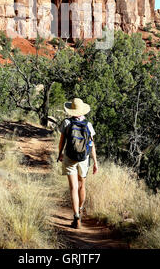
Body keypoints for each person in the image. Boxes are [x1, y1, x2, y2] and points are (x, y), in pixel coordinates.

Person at [57, 98, 98, 229]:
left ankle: (76, 217)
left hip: (70, 157)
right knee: (82, 186)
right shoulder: (88, 124)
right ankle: (80, 209)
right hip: (84, 159)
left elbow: (62, 141)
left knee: (73, 188)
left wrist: (60, 154)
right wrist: (95, 162)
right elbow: (91, 145)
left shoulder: (66, 122)